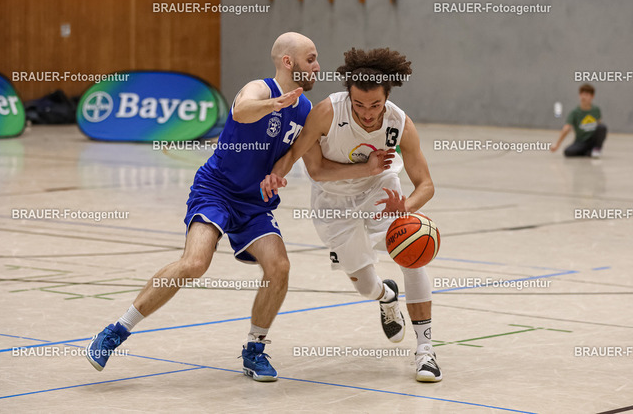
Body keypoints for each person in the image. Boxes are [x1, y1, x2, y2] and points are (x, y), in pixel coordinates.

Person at [86, 32, 320, 382]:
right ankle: (116, 331)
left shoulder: (305, 109)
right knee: (195, 263)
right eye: (311, 59)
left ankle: (254, 349)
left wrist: (279, 173)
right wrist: (273, 105)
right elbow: (240, 111)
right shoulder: (260, 90)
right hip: (217, 190)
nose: (317, 66)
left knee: (280, 267)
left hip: (254, 203)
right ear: (289, 62)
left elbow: (298, 156)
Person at [261, 48, 441, 382]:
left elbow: (426, 185)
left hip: (381, 192)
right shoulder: (327, 112)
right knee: (365, 286)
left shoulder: (399, 123)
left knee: (412, 254)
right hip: (333, 201)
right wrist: (276, 174)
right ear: (349, 95)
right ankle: (386, 296)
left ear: (387, 97)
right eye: (359, 104)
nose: (367, 113)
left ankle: (426, 351)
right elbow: (312, 167)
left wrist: (405, 207)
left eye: (375, 105)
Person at [551, 84, 607, 158]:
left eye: (586, 95)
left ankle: (596, 149)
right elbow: (567, 128)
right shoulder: (575, 112)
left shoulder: (596, 110)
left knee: (602, 127)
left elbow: (599, 125)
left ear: (592, 96)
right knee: (568, 152)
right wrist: (557, 144)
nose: (583, 97)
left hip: (592, 140)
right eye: (582, 94)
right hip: (581, 141)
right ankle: (588, 152)